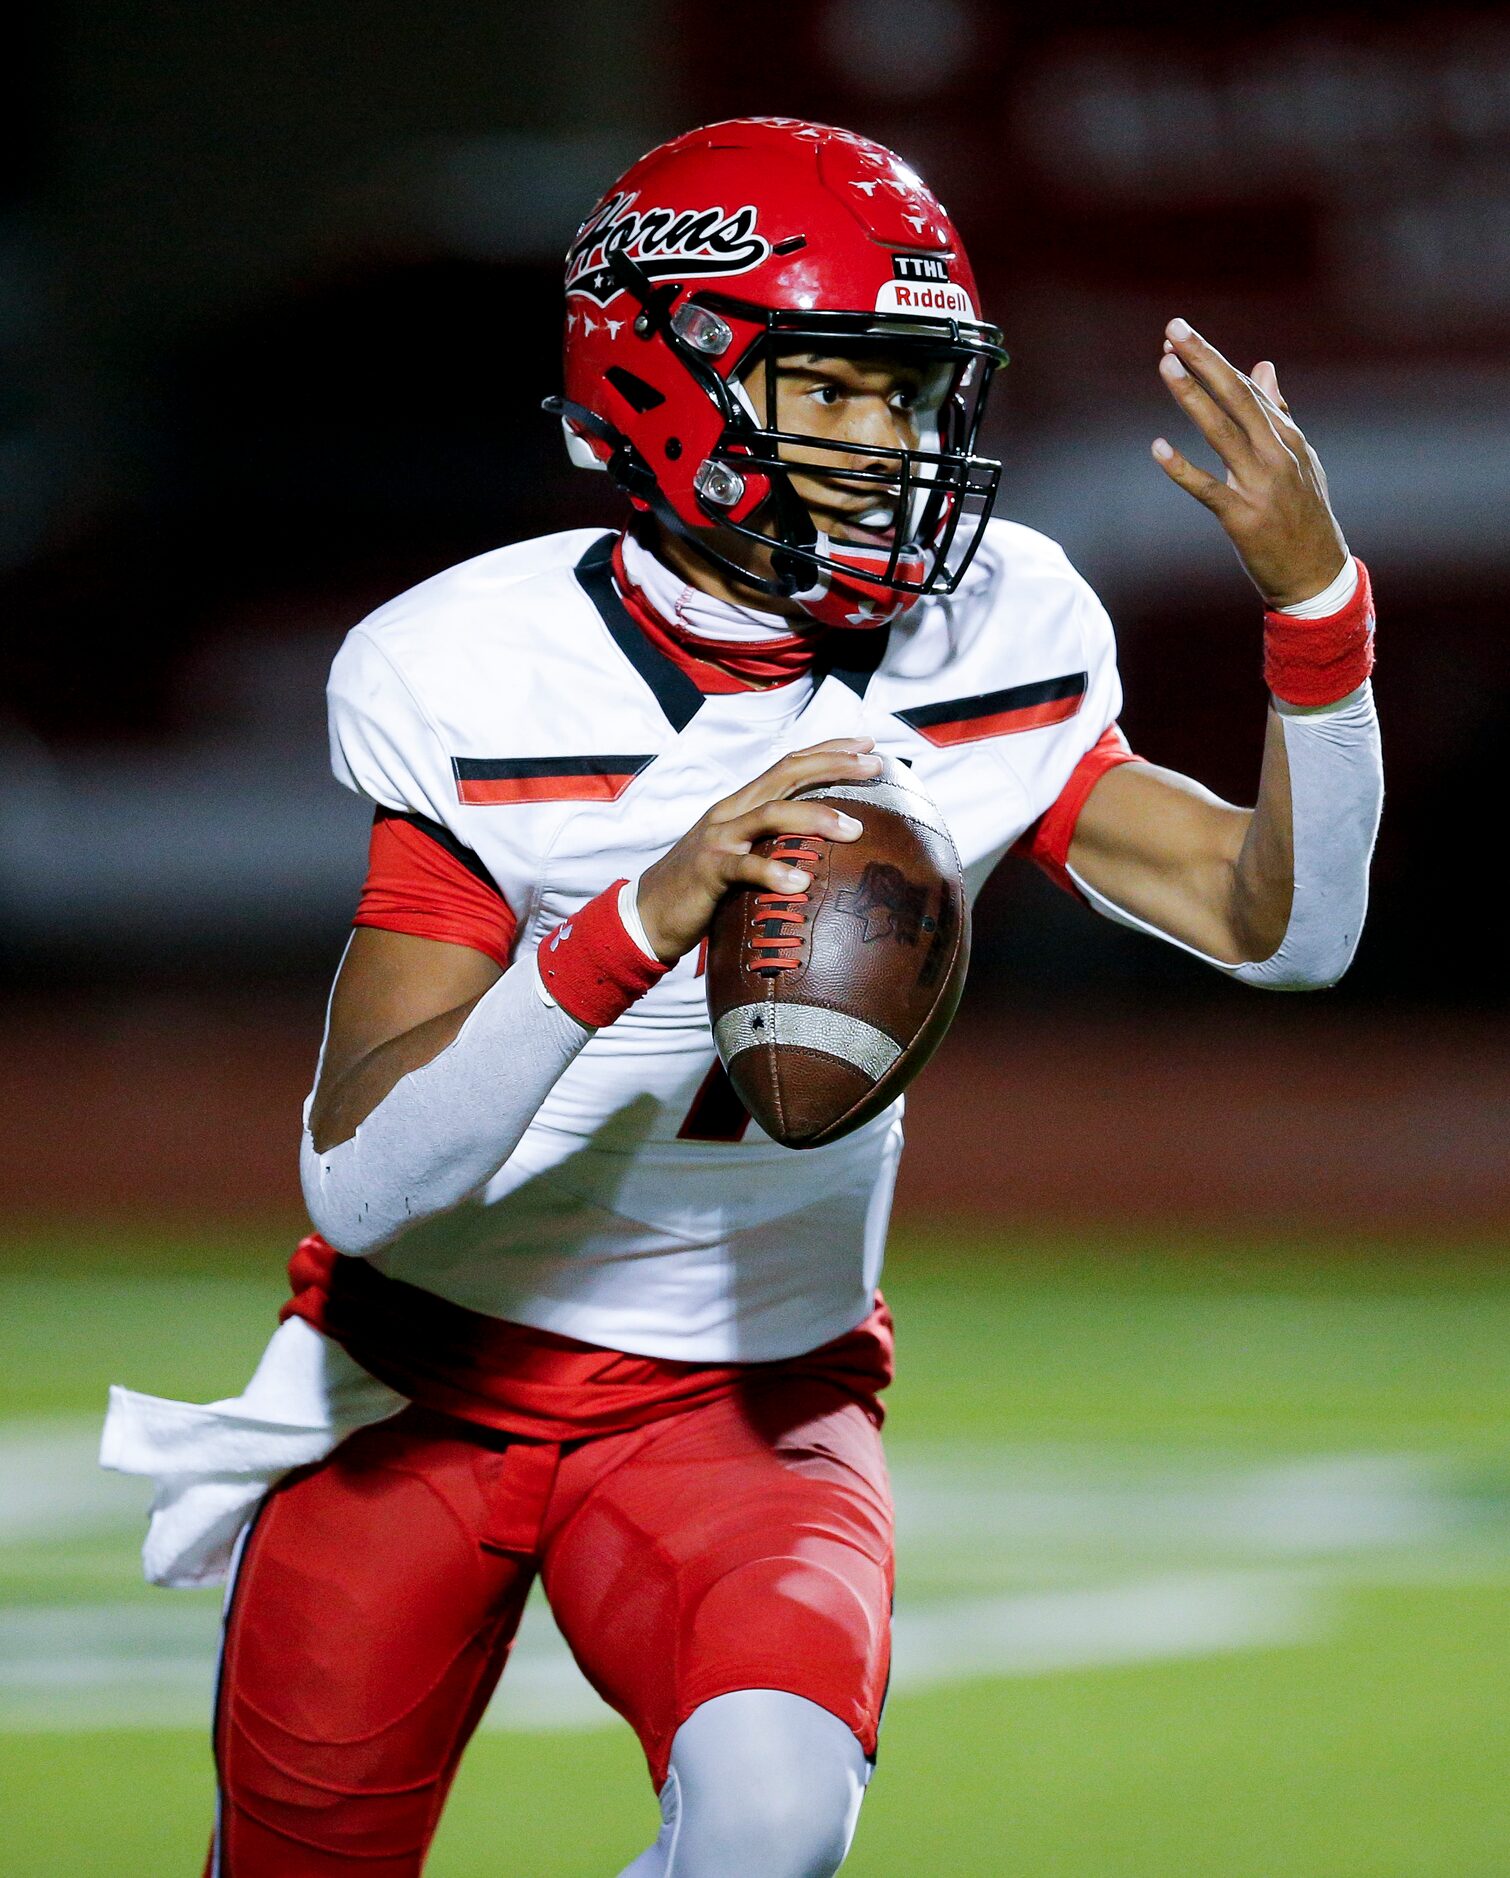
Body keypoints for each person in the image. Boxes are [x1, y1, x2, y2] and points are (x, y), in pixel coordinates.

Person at [102, 117, 1382, 1876]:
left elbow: (1284, 925)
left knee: (772, 1828)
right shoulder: (473, 669)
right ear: (669, 382)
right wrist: (645, 911)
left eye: (920, 396)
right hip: (418, 1392)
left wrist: (1315, 614)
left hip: (748, 1397)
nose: (903, 446)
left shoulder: (998, 635)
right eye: (841, 392)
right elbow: (358, 1178)